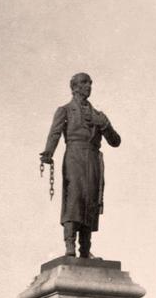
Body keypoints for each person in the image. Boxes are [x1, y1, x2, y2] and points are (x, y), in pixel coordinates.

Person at [40, 73, 121, 257]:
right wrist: (48, 153)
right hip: (74, 157)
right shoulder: (65, 110)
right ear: (74, 87)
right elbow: (55, 133)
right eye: (84, 82)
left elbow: (115, 141)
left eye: (90, 83)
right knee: (74, 199)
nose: (89, 86)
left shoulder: (99, 116)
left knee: (90, 200)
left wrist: (105, 126)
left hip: (93, 159)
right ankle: (70, 245)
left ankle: (85, 249)